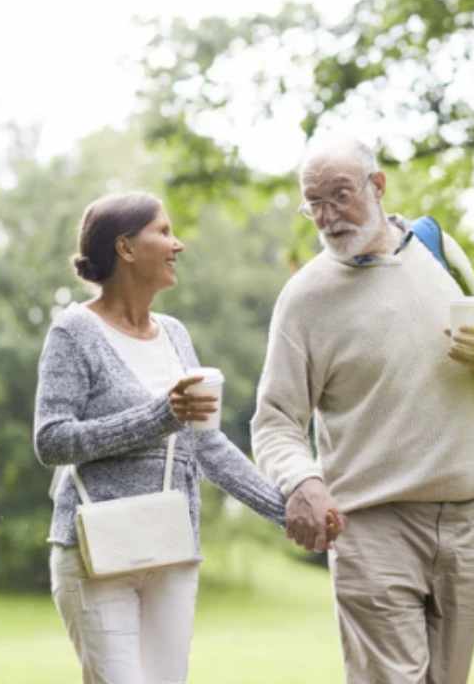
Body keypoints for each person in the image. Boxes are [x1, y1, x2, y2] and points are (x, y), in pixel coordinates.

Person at [33, 191, 340, 684]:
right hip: (94, 552)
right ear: (125, 248)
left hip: (171, 547)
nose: (178, 245)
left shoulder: (174, 334)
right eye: (163, 232)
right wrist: (160, 415)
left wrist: (285, 510)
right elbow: (51, 440)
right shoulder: (74, 332)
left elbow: (206, 445)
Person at [250, 135, 474, 684]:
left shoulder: (438, 249)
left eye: (340, 195)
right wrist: (301, 480)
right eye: (314, 203)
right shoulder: (304, 299)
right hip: (373, 528)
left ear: (377, 186)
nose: (328, 216)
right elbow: (275, 421)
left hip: (471, 520)